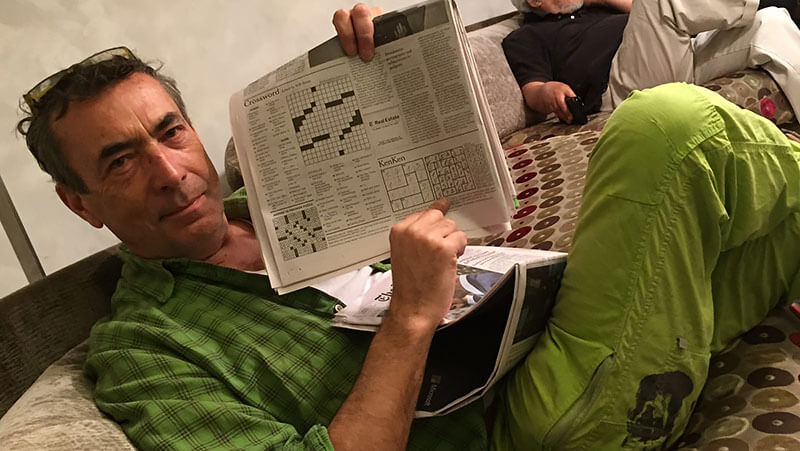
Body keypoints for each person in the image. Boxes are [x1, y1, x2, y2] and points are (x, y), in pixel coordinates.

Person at [16, 4, 800, 450]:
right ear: (79, 202)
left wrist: (380, 66)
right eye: (121, 161)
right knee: (663, 127)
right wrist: (410, 320)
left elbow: (436, 167)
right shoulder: (142, 348)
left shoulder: (270, 198)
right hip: (521, 426)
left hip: (546, 333)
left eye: (170, 132)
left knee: (756, 225)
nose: (168, 170)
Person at [505, 0, 800, 124]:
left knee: (770, 21)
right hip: (621, 86)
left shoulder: (597, 9)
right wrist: (549, 91)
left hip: (676, 55)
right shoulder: (526, 36)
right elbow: (533, 89)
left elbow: (648, 12)